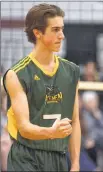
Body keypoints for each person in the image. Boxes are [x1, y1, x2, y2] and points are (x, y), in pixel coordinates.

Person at [3, 3, 81, 171]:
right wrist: (52, 133)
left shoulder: (72, 71)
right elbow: (24, 127)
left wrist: (75, 163)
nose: (62, 36)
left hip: (57, 158)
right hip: (25, 157)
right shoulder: (17, 74)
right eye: (55, 30)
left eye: (62, 29)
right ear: (37, 33)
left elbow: (74, 121)